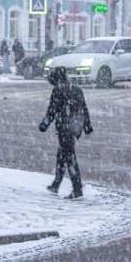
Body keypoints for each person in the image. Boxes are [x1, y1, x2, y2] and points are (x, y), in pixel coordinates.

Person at [39, 67, 93, 200]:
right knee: (62, 155)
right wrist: (87, 127)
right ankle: (56, 185)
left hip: (65, 128)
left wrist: (44, 125)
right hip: (77, 128)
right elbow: (84, 109)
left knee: (69, 158)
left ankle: (77, 189)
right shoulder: (76, 89)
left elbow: (52, 110)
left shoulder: (58, 90)